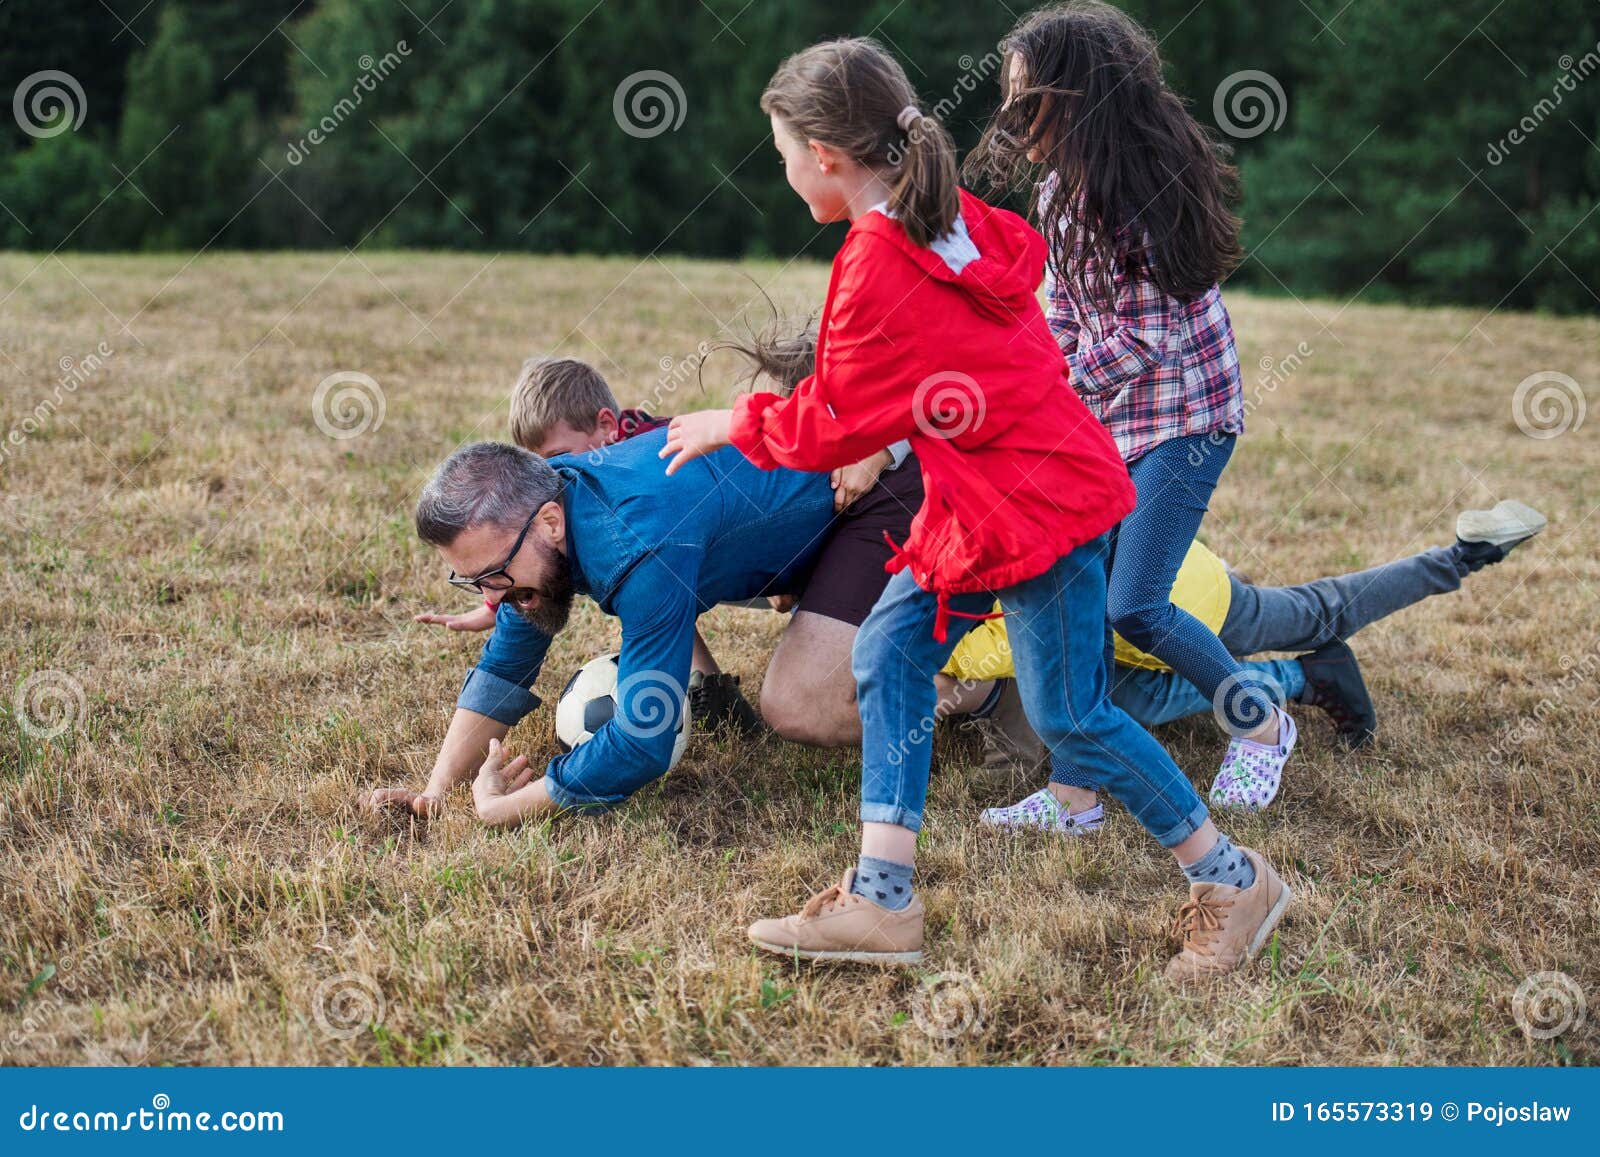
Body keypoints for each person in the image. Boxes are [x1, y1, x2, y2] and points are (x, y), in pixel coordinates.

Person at [661, 37, 1290, 980]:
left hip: (1031, 506)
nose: (785, 172)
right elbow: (928, 365)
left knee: (1073, 719)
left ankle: (1235, 881)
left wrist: (731, 420)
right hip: (983, 495)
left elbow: (832, 418)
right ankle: (883, 902)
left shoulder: (877, 255)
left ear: (825, 156)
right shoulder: (947, 215)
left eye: (783, 152)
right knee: (886, 653)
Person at [964, 0, 1295, 812]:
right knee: (1080, 596)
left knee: (1134, 605)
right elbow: (1069, 308)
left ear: (1076, 99)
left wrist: (1050, 389)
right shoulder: (1060, 191)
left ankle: (1261, 722)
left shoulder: (1134, 195)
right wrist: (1045, 361)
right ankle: (1075, 796)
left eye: (1025, 98)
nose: (1011, 115)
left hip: (1186, 424)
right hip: (1116, 423)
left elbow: (1145, 339)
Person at [968, 500, 1548, 830]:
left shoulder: (971, 621)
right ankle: (1305, 677)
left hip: (1199, 607)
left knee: (1324, 610)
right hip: (1170, 598)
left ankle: (1461, 557)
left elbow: (1006, 663)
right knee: (1128, 699)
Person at [365, 436, 837, 825]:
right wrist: (435, 792)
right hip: (764, 537)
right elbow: (506, 664)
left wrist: (505, 809)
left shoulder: (636, 545)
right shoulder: (546, 503)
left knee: (800, 707)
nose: (490, 598)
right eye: (474, 582)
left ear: (550, 522)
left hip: (861, 517)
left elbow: (642, 738)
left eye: (496, 573)